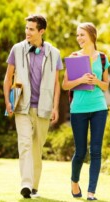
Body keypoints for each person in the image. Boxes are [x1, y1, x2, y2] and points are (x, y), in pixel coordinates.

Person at [3, 14, 62, 198]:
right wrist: (8, 101)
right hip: (22, 105)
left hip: (43, 106)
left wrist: (55, 107)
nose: (27, 32)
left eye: (31, 29)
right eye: (26, 28)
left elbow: (56, 83)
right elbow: (8, 77)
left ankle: (34, 185)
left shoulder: (53, 52)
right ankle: (26, 185)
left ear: (41, 31)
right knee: (25, 144)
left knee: (37, 147)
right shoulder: (17, 49)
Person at [62, 22, 109, 201]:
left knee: (96, 150)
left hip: (99, 107)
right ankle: (74, 182)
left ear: (92, 35)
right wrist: (81, 79)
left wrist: (96, 81)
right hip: (79, 109)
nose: (79, 38)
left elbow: (106, 86)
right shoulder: (74, 57)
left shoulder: (103, 58)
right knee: (80, 151)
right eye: (77, 35)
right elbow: (65, 84)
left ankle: (91, 193)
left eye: (82, 34)